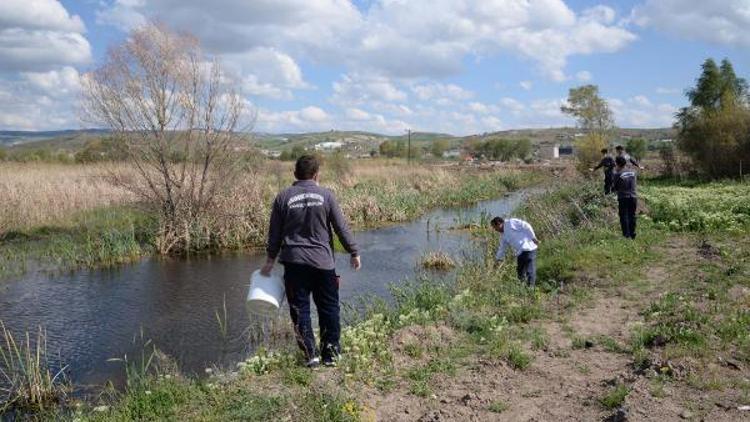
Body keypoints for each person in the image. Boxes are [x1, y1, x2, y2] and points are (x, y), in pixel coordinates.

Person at [261, 155, 361, 368]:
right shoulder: (327, 195)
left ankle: (310, 356)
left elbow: (274, 233)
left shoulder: (282, 197)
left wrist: (270, 260)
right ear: (317, 174)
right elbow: (340, 227)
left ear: (295, 174)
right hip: (323, 264)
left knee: (300, 310)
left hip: (294, 264)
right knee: (329, 309)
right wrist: (354, 251)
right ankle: (331, 355)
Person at [491, 217, 539, 288]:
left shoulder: (510, 223)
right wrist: (498, 260)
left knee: (530, 270)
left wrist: (533, 238)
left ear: (499, 224)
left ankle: (531, 290)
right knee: (520, 272)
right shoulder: (503, 235)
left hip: (529, 248)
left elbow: (526, 225)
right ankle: (522, 288)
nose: (495, 230)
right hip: (521, 252)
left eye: (495, 227)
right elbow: (502, 249)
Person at [613, 156, 637, 239]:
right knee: (632, 215)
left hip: (623, 197)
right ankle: (632, 233)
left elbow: (615, 187)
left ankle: (626, 235)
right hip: (633, 196)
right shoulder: (633, 172)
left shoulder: (618, 174)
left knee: (624, 216)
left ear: (617, 164)